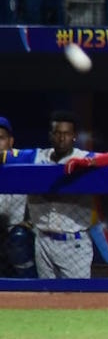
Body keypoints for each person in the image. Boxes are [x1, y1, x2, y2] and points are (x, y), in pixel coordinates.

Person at [23, 111, 108, 279]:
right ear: (50, 135)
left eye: (67, 134)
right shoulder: (37, 156)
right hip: (42, 240)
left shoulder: (83, 157)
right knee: (46, 297)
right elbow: (8, 156)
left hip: (73, 243)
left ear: (74, 136)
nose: (62, 138)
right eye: (57, 133)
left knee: (78, 296)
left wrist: (86, 163)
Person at [0, 116, 35, 278]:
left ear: (11, 141)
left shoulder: (24, 162)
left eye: (1, 138)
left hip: (20, 231)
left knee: (19, 238)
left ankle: (28, 286)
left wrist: (30, 221)